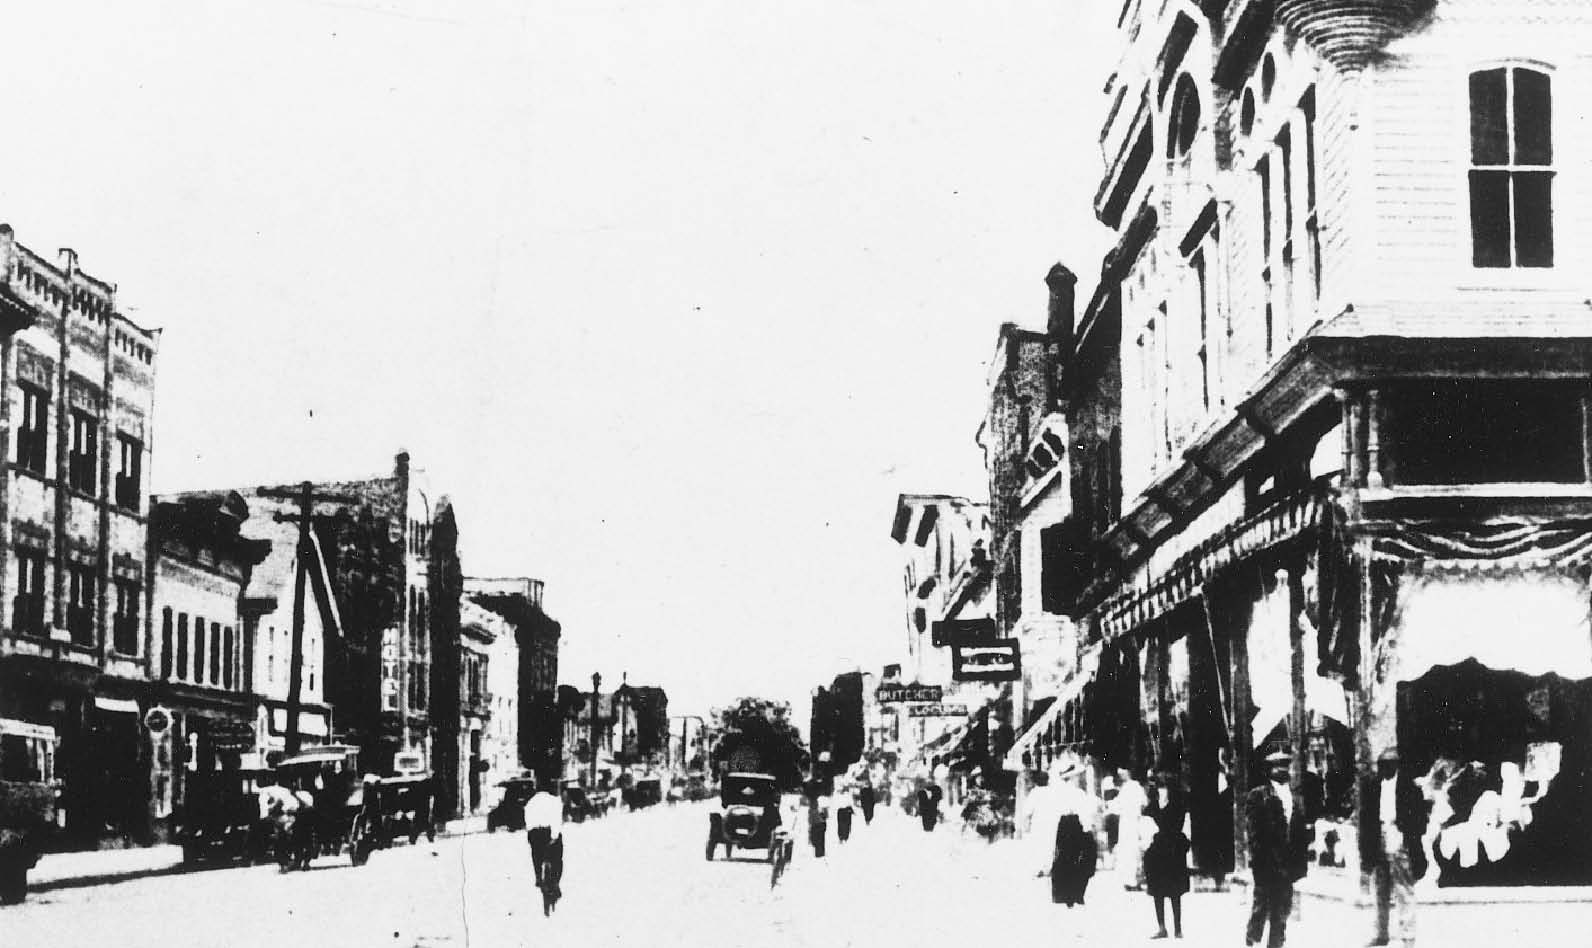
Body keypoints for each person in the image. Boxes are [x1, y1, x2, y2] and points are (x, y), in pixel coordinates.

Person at [1361, 747, 1430, 948]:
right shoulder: (1372, 786)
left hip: (1400, 839)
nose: (1384, 769)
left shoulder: (1410, 788)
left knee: (1404, 890)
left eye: (1388, 765)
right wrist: (1367, 850)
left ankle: (1408, 938)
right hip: (1379, 839)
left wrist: (1406, 836)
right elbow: (1366, 819)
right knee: (1380, 889)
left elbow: (1420, 821)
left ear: (1396, 765)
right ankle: (1380, 934)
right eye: (1381, 765)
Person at [1245, 748, 1310, 948]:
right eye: (1277, 767)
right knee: (1262, 904)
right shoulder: (1259, 795)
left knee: (1282, 907)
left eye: (1285, 767)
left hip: (1287, 863)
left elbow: (1298, 832)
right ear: (1270, 771)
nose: (1282, 771)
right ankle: (1252, 939)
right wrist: (1260, 859)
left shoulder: (1295, 798)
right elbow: (1254, 831)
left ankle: (1275, 944)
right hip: (1266, 861)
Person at [1050, 763, 1099, 906]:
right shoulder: (1078, 793)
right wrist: (1088, 828)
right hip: (1075, 825)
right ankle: (1076, 894)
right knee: (1079, 859)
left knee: (1064, 858)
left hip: (1063, 826)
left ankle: (1064, 894)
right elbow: (1084, 813)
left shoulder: (1058, 793)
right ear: (1072, 778)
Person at [1144, 806, 1190, 939]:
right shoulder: (1178, 807)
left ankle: (1163, 928)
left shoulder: (1169, 810)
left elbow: (1157, 817)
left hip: (1164, 851)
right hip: (1173, 851)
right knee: (1175, 895)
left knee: (1159, 895)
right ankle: (1177, 929)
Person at [523, 776, 565, 915]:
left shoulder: (531, 802)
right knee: (557, 859)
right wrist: (554, 836)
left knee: (536, 855)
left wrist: (531, 836)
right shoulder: (554, 801)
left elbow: (528, 823)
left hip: (535, 834)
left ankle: (538, 877)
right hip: (549, 832)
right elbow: (556, 820)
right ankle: (556, 882)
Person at [1113, 769, 1150, 889]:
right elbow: (1144, 803)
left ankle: (1131, 880)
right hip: (1130, 821)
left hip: (1129, 821)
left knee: (1131, 850)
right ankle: (1131, 880)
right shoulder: (1132, 788)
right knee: (1130, 850)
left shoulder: (1131, 787)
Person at [1024, 770, 1063, 877]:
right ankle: (1049, 868)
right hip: (1051, 822)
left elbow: (1027, 811)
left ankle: (1039, 868)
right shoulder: (1053, 792)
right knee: (1050, 844)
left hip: (1038, 823)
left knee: (1038, 845)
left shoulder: (1034, 792)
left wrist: (1026, 823)